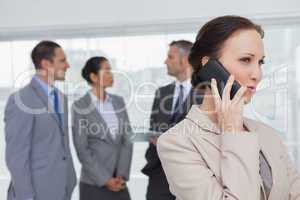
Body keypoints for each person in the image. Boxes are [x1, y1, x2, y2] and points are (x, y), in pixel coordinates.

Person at [157, 15, 300, 200]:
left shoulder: (268, 134)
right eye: (246, 60)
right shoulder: (177, 143)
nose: (257, 74)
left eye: (260, 62)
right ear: (209, 66)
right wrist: (232, 132)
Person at [4, 41, 77, 200]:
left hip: (62, 190)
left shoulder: (61, 98)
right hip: (35, 194)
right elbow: (16, 157)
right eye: (62, 61)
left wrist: (70, 181)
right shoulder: (21, 100)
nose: (68, 65)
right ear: (46, 64)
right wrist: (27, 197)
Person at [142, 40, 202, 200]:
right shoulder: (161, 93)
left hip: (192, 176)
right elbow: (154, 128)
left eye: (170, 57)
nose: (165, 61)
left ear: (185, 60)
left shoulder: (205, 94)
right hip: (159, 176)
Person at [72, 56, 133, 200]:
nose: (111, 75)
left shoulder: (118, 102)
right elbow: (82, 148)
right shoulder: (80, 106)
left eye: (110, 71)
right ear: (93, 76)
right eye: (106, 71)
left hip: (119, 182)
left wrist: (121, 175)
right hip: (94, 184)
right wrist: (105, 179)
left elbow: (127, 139)